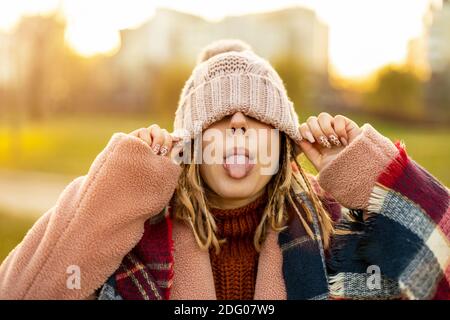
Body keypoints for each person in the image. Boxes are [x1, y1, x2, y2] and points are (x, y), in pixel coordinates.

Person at [0, 39, 448, 300]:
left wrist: (372, 175)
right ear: (189, 145)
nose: (237, 123)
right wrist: (115, 189)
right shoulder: (134, 227)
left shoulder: (333, 227)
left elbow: (438, 278)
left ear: (282, 144)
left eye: (257, 118)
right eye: (219, 117)